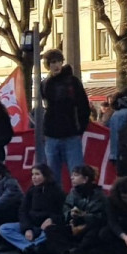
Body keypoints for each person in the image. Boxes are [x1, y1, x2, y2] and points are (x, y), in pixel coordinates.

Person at [41, 49, 91, 184]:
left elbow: (84, 107)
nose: (56, 65)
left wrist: (79, 128)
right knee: (52, 177)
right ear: (47, 65)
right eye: (52, 62)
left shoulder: (73, 82)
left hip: (70, 135)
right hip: (52, 135)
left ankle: (78, 202)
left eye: (58, 62)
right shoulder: (45, 83)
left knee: (77, 174)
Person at [0, 163, 64, 254]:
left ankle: (31, 245)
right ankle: (28, 246)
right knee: (4, 228)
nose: (34, 177)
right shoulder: (31, 190)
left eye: (37, 174)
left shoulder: (56, 191)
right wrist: (27, 228)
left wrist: (52, 219)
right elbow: (23, 210)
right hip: (31, 224)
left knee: (51, 232)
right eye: (33, 174)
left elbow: (61, 211)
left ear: (45, 176)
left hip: (46, 226)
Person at [50, 165, 109, 254]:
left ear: (85, 179)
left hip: (89, 226)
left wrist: (83, 216)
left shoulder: (98, 195)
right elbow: (66, 209)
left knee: (96, 232)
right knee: (51, 229)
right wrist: (70, 214)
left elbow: (100, 217)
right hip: (73, 224)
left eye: (76, 175)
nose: (72, 177)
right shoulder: (73, 192)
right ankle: (68, 249)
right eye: (72, 175)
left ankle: (80, 250)